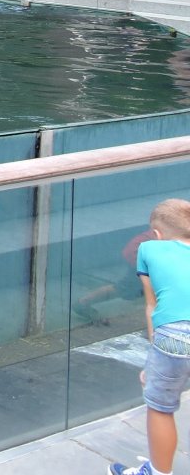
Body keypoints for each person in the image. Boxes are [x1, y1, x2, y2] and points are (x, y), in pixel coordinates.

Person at [108, 199, 190, 475]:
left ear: (156, 234)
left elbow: (152, 305)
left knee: (160, 408)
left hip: (175, 334)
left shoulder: (149, 248)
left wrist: (153, 360)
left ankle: (155, 474)